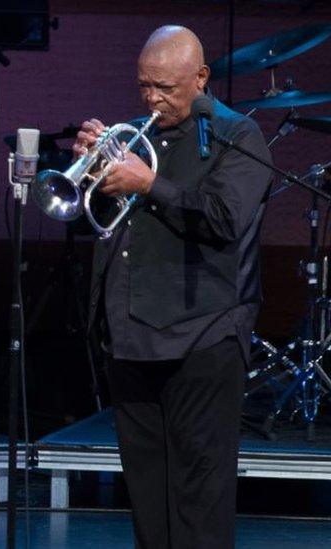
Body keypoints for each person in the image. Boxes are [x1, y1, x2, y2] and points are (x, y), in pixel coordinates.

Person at [73, 26, 272, 548]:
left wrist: (148, 184)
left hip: (202, 338)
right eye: (144, 86)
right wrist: (93, 169)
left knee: (199, 500)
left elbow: (225, 219)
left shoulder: (238, 136)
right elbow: (93, 223)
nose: (151, 99)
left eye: (164, 87)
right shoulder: (134, 135)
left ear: (201, 78)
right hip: (130, 337)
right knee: (146, 498)